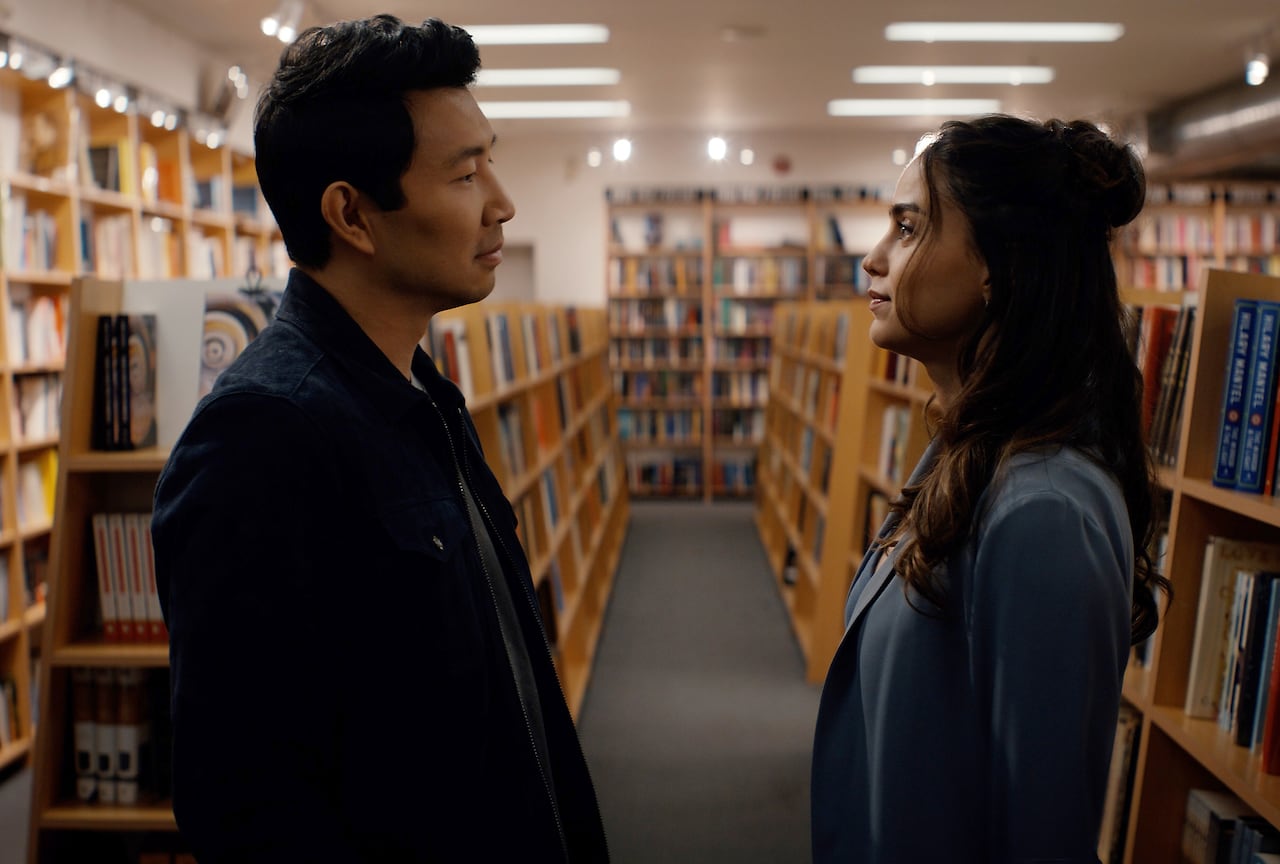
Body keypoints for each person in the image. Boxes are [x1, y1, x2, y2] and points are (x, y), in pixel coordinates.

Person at [151, 15, 609, 863]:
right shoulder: (264, 437)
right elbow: (246, 805)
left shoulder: (423, 394)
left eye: (491, 162)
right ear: (352, 215)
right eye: (466, 173)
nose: (503, 204)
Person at [810, 115, 1169, 863]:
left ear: (998, 269)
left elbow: (1043, 831)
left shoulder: (1045, 511)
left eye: (908, 229)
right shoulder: (965, 454)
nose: (872, 258)